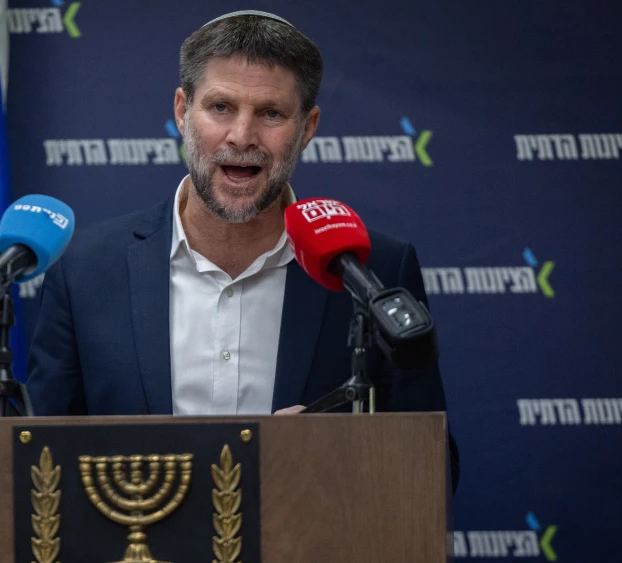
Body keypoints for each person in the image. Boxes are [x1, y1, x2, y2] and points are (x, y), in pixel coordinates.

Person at [26, 10, 459, 488]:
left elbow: (435, 471)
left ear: (307, 127)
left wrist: (336, 455)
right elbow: (39, 467)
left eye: (271, 114)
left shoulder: (374, 269)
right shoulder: (86, 269)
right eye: (220, 108)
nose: (242, 136)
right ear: (181, 111)